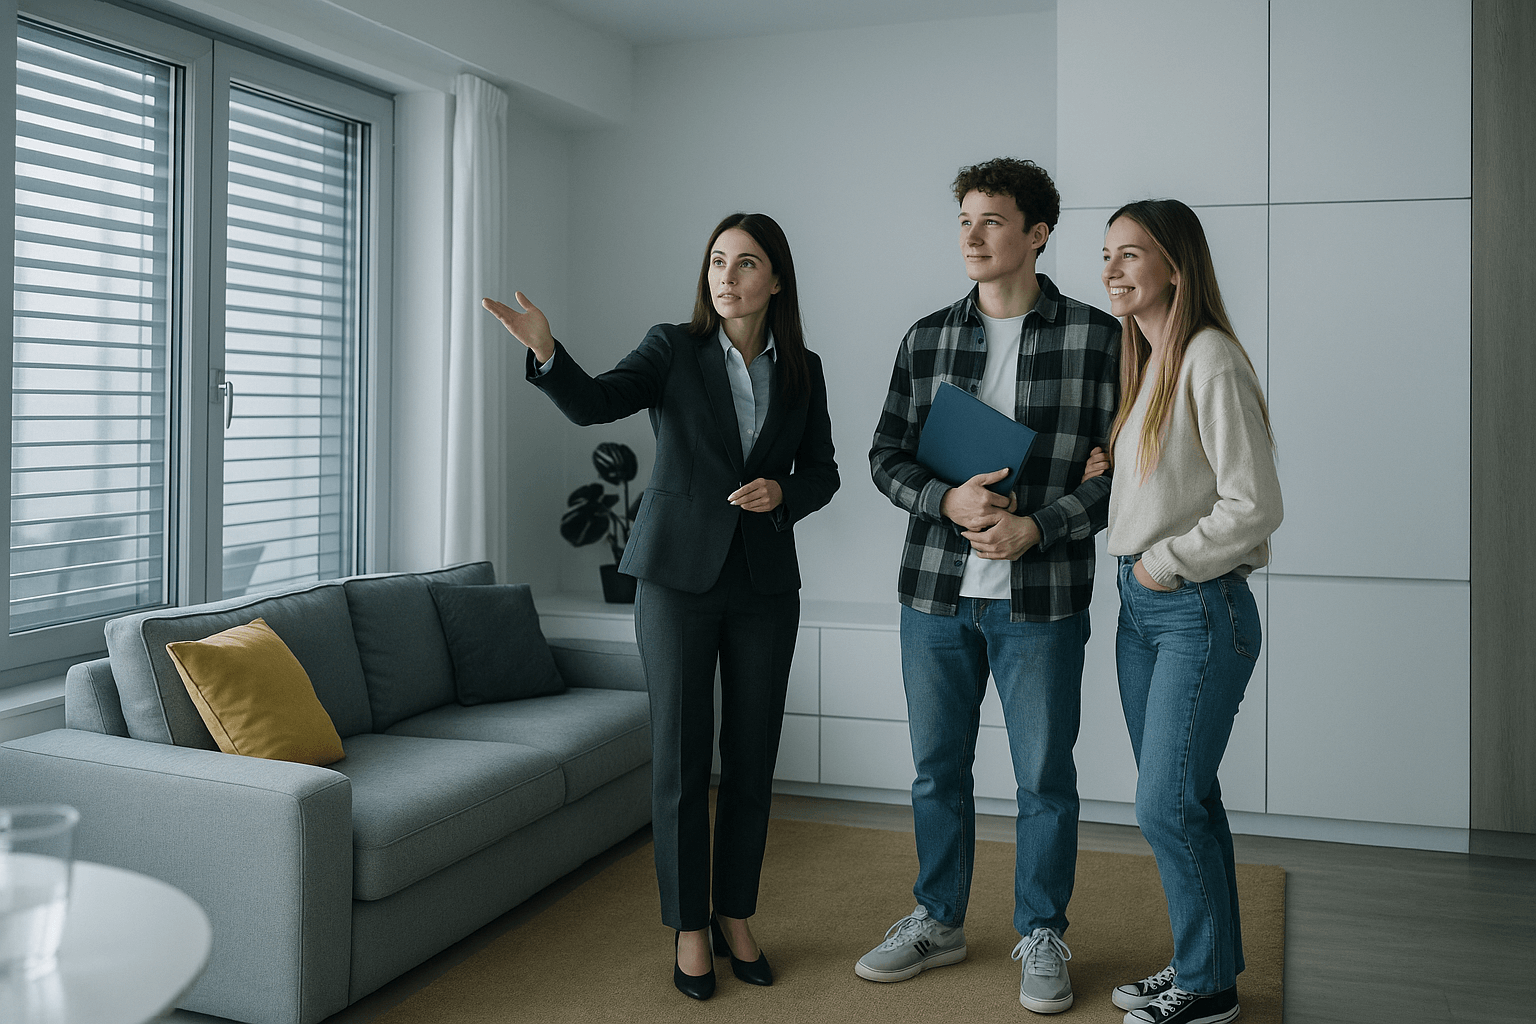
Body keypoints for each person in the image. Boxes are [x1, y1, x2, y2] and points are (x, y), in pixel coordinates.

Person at [482, 213, 839, 1002]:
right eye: (717, 261)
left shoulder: (804, 368)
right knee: (681, 759)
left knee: (751, 759)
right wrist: (547, 351)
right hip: (675, 581)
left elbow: (823, 471)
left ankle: (736, 914)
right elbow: (595, 403)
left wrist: (784, 491)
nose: (727, 276)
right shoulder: (671, 348)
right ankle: (688, 925)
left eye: (746, 264)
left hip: (764, 586)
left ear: (775, 280)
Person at [863, 157, 1120, 1014]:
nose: (972, 236)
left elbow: (1129, 472)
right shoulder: (925, 337)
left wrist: (1035, 526)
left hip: (1042, 600)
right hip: (934, 594)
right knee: (937, 771)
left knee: (1044, 775)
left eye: (993, 220)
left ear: (1038, 233)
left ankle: (1042, 930)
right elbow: (884, 458)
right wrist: (949, 498)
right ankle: (938, 920)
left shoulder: (1099, 338)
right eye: (965, 220)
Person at [1099, 199, 1282, 1024]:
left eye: (1130, 254)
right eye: (1106, 255)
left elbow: (1254, 504)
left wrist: (1163, 564)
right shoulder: (1149, 364)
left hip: (1195, 609)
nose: (1111, 269)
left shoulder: (1208, 357)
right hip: (1145, 611)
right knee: (1187, 800)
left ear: (1176, 265)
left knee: (1165, 804)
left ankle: (1205, 988)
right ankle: (1205, 973)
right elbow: (1173, 487)